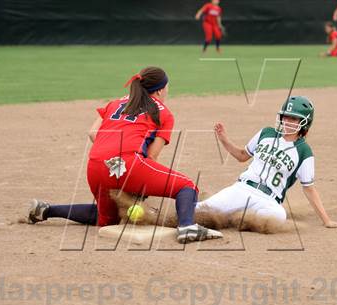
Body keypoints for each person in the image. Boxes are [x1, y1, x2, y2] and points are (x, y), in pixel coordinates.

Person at [27, 66, 222, 244]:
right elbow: (152, 156)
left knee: (109, 218)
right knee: (186, 186)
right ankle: (187, 227)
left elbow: (93, 133)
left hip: (95, 165)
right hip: (129, 163)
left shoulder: (115, 102)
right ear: (161, 90)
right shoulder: (164, 112)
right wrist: (138, 185)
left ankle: (46, 210)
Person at [196, 96, 337, 230]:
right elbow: (242, 156)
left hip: (268, 200)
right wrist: (224, 140)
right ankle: (227, 212)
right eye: (285, 116)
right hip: (242, 188)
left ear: (304, 123)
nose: (287, 121)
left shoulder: (304, 151)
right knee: (199, 211)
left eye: (293, 118)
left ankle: (235, 217)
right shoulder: (267, 133)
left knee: (279, 216)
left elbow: (309, 189)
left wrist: (327, 220)